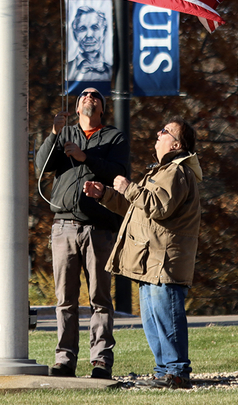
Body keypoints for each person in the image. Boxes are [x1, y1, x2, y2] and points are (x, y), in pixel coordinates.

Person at [83, 117, 201, 389]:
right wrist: (106, 196)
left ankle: (177, 373)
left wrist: (128, 187)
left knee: (166, 319)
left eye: (165, 131)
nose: (158, 134)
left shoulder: (176, 172)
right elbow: (140, 210)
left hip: (164, 263)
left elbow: (158, 207)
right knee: (153, 322)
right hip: (151, 263)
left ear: (177, 143)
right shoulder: (162, 172)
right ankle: (164, 372)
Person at [36, 88, 130, 379]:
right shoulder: (65, 134)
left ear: (102, 109)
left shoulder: (114, 137)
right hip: (63, 227)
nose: (89, 97)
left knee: (100, 298)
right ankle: (65, 360)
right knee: (65, 299)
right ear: (76, 109)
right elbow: (42, 166)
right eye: (83, 96)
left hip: (99, 228)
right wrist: (54, 133)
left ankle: (101, 360)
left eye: (95, 96)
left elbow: (118, 171)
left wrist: (84, 156)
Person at [66, 7, 111, 82]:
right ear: (75, 34)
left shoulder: (114, 71)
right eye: (82, 29)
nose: (89, 35)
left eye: (95, 28)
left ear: (104, 32)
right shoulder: (67, 69)